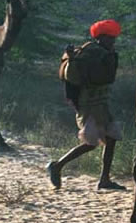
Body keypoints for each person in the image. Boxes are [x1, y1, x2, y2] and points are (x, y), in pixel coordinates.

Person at [46, 19, 125, 191]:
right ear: (101, 37)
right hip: (89, 105)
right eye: (110, 38)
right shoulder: (90, 53)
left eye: (113, 39)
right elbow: (75, 77)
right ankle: (57, 165)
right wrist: (73, 60)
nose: (113, 41)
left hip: (101, 104)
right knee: (92, 143)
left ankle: (104, 178)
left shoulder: (103, 53)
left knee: (110, 140)